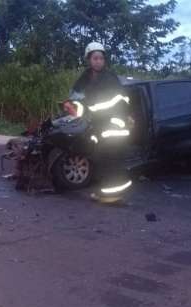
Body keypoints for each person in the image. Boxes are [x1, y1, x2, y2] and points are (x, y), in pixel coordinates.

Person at [69, 42, 132, 203]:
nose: (98, 61)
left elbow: (121, 99)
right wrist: (72, 105)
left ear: (104, 61)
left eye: (101, 58)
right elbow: (76, 94)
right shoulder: (86, 76)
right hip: (99, 125)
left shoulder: (110, 77)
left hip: (114, 125)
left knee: (110, 159)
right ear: (89, 59)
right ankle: (106, 193)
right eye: (95, 58)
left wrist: (127, 116)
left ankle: (111, 195)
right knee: (101, 158)